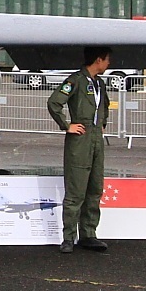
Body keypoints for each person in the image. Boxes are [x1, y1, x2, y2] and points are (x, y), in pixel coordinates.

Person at [47, 46, 111, 253]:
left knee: (95, 188)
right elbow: (54, 103)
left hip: (96, 140)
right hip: (80, 140)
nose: (109, 64)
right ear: (99, 60)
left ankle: (88, 234)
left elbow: (105, 106)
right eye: (107, 60)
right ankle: (68, 238)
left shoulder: (99, 83)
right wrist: (67, 125)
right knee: (76, 191)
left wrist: (103, 124)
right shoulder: (75, 80)